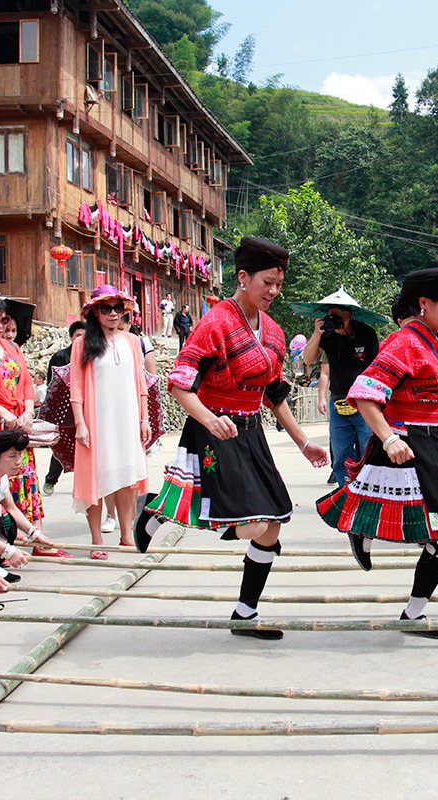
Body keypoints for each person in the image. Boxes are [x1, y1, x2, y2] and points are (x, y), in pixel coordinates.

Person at [135, 236, 328, 641]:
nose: (274, 291)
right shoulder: (215, 323)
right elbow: (180, 384)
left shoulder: (273, 331)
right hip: (214, 430)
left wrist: (303, 442)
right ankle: (157, 512)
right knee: (255, 523)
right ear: (243, 277)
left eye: (278, 284)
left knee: (273, 523)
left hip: (251, 432)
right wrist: (210, 419)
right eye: (267, 282)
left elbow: (275, 394)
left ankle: (245, 613)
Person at [317, 267, 438, 640]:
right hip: (408, 444)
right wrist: (389, 439)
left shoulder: (436, 340)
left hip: (433, 442)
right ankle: (412, 613)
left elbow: (435, 388)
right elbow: (364, 394)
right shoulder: (404, 341)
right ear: (423, 303)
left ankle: (410, 609)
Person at [70, 285, 150, 557]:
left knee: (128, 477)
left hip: (127, 418)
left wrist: (144, 418)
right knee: (96, 476)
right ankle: (96, 539)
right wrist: (80, 423)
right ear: (95, 312)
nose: (114, 313)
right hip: (97, 420)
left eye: (118, 307)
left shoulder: (132, 341)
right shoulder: (82, 344)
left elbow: (141, 384)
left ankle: (126, 535)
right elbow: (76, 387)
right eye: (107, 308)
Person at [0, 294, 64, 558]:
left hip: (19, 425)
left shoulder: (12, 348)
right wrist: (1, 411)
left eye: (4, 320)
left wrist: (29, 411)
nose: (1, 326)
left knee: (25, 478)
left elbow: (26, 385)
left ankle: (37, 537)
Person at [302, 290, 380, 488]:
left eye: (338, 317)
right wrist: (317, 333)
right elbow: (308, 359)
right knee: (340, 453)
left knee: (368, 449)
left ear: (350, 315)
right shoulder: (327, 335)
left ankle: (369, 491)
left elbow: (377, 368)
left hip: (364, 401)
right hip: (338, 401)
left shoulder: (366, 334)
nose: (334, 321)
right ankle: (345, 491)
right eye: (331, 316)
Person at [0, 429, 64, 586]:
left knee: (6, 518)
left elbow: (12, 508)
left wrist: (35, 534)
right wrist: (9, 551)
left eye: (20, 454)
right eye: (12, 456)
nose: (19, 461)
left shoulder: (1, 476)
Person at [42, 320, 86, 496]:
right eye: (78, 336)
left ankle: (83, 484)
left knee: (86, 446)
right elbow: (52, 384)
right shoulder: (60, 357)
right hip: (65, 408)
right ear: (71, 337)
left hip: (86, 408)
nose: (82, 339)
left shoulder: (91, 357)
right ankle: (51, 479)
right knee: (62, 444)